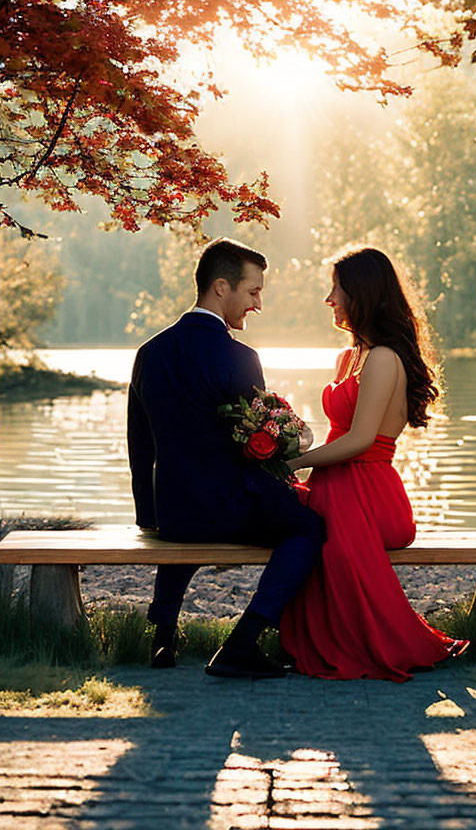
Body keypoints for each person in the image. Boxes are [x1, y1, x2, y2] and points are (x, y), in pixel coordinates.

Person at [127, 237, 326, 678]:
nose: (257, 303)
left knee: (192, 515)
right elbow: (251, 446)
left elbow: (140, 446)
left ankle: (161, 638)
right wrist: (292, 453)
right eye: (253, 291)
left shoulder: (149, 353)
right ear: (221, 288)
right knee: (309, 528)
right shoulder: (239, 357)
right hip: (229, 509)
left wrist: (149, 514)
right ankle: (244, 640)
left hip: (174, 514)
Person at [280, 247, 467, 681]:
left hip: (369, 489)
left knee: (331, 530)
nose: (329, 299)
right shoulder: (348, 357)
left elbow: (361, 440)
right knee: (301, 525)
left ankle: (374, 641)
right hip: (337, 481)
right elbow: (336, 432)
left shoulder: (384, 358)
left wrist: (296, 463)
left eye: (336, 289)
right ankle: (307, 635)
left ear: (361, 294)